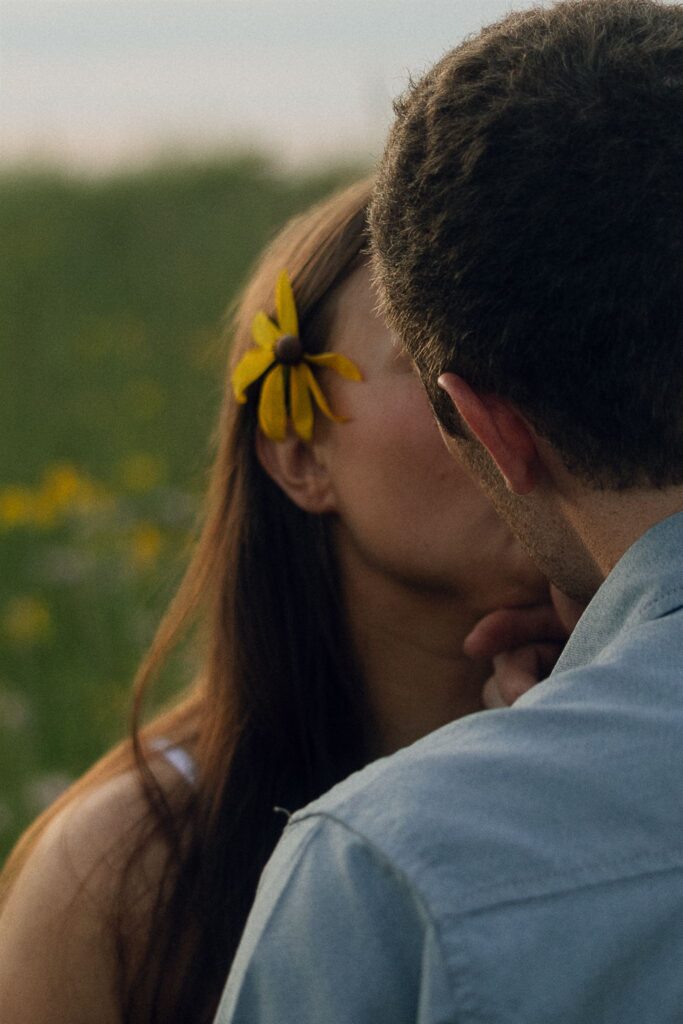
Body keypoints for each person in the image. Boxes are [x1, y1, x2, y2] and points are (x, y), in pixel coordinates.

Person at [213, 1, 683, 1021]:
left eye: (432, 387)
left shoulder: (384, 876)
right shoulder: (144, 851)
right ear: (294, 454)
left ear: (491, 426)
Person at [0, 178, 554, 1023]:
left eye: (551, 353)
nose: (522, 408)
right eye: (446, 358)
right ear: (298, 455)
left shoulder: (633, 764)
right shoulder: (128, 873)